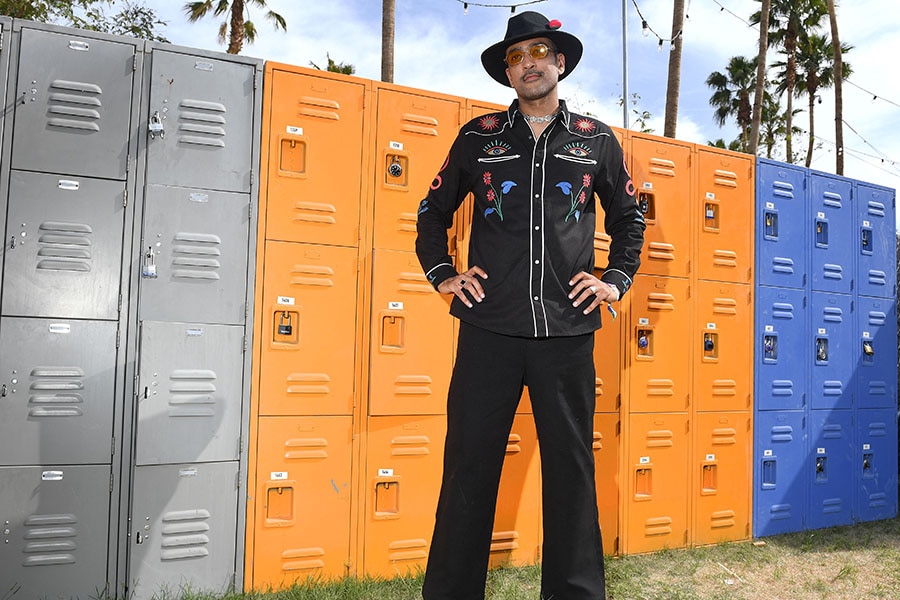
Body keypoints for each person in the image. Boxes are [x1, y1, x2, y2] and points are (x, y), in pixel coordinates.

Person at [415, 10, 644, 600]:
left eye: (539, 52)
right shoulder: (479, 136)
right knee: (468, 467)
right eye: (517, 57)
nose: (529, 64)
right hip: (489, 328)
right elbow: (431, 213)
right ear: (508, 72)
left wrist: (613, 280)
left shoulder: (596, 141)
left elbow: (629, 219)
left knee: (571, 471)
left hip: (567, 331)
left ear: (559, 62)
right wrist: (444, 275)